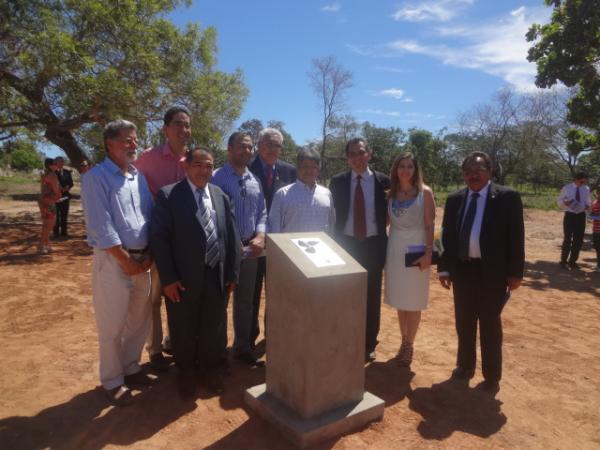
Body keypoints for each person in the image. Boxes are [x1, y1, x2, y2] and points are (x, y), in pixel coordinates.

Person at [151, 147, 241, 399]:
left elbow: (232, 237)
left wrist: (233, 273)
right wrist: (168, 279)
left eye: (209, 165)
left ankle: (210, 371)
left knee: (213, 326)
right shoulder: (169, 195)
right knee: (183, 327)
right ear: (186, 166)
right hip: (182, 278)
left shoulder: (220, 195)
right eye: (199, 164)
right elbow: (160, 239)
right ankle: (186, 374)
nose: (204, 170)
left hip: (216, 274)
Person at [81, 120, 155, 406]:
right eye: (126, 140)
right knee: (111, 325)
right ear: (109, 143)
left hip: (143, 258)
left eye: (134, 140)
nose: (132, 144)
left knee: (139, 320)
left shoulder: (138, 177)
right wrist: (125, 259)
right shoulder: (96, 177)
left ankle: (132, 368)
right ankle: (112, 380)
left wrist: (150, 253)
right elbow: (100, 224)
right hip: (114, 261)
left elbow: (149, 214)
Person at [438, 151, 524, 395]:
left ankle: (491, 376)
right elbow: (447, 236)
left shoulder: (507, 197)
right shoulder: (455, 199)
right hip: (463, 271)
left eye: (478, 170)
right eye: (468, 171)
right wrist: (444, 267)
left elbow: (516, 237)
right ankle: (465, 367)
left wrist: (515, 272)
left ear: (490, 171)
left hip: (492, 273)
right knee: (464, 323)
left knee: (489, 325)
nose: (473, 175)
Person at [135, 106, 191, 372]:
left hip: (186, 242)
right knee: (154, 297)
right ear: (165, 128)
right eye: (178, 124)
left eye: (187, 125)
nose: (184, 130)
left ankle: (173, 341)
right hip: (159, 239)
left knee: (181, 294)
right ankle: (155, 350)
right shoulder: (148, 158)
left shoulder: (193, 160)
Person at [329, 137, 390, 362]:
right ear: (347, 159)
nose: (357, 157)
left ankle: (368, 344)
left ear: (369, 154)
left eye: (361, 152)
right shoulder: (337, 182)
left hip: (374, 245)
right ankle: (347, 338)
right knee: (346, 295)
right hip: (346, 245)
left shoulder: (384, 182)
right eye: (352, 154)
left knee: (372, 296)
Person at [212, 132, 267, 367]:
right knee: (220, 302)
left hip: (251, 250)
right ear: (229, 148)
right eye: (241, 147)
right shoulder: (217, 179)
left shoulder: (255, 180)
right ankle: (217, 352)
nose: (246, 151)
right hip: (224, 251)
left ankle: (242, 348)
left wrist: (261, 235)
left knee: (245, 302)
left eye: (249, 147)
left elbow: (262, 211)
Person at [384, 153, 436, 367]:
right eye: (401, 166)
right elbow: (385, 222)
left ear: (415, 170)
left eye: (410, 167)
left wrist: (429, 254)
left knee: (413, 301)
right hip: (395, 249)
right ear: (396, 170)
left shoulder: (425, 193)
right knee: (400, 300)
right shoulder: (391, 194)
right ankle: (403, 340)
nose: (405, 170)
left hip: (416, 250)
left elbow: (430, 225)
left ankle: (409, 344)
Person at [248, 128, 297, 347]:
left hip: (281, 243)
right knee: (251, 294)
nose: (271, 149)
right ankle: (248, 340)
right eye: (268, 143)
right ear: (259, 145)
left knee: (277, 293)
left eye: (276, 145)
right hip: (253, 242)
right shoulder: (246, 168)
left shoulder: (290, 171)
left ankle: (273, 336)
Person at [268, 148, 335, 233]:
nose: (309, 170)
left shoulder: (327, 194)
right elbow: (274, 228)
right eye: (305, 166)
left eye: (313, 167)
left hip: (320, 245)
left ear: (318, 169)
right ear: (298, 168)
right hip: (289, 246)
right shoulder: (282, 194)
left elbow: (331, 225)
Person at [557, 172, 592, 269]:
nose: (583, 183)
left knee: (578, 239)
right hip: (570, 215)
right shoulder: (567, 188)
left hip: (581, 216)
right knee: (567, 238)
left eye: (584, 181)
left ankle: (572, 261)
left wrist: (588, 206)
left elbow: (588, 202)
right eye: (582, 181)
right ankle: (563, 261)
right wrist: (565, 203)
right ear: (576, 179)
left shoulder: (586, 189)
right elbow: (559, 201)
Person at [37, 158, 61, 254]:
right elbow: (56, 189)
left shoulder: (44, 174)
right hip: (49, 202)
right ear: (50, 165)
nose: (56, 165)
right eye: (55, 164)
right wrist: (58, 195)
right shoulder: (52, 175)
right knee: (49, 224)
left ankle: (47, 244)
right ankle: (41, 245)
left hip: (44, 201)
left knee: (48, 224)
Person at [53, 156, 73, 238]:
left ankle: (64, 233)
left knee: (64, 215)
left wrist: (67, 188)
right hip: (55, 197)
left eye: (62, 161)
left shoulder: (67, 172)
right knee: (56, 216)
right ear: (56, 163)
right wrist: (59, 188)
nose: (61, 163)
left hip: (65, 197)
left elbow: (71, 183)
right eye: (59, 161)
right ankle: (56, 233)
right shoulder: (53, 172)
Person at [591, 187, 600, 272]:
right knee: (597, 248)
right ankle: (598, 265)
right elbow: (592, 215)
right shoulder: (594, 203)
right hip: (596, 229)